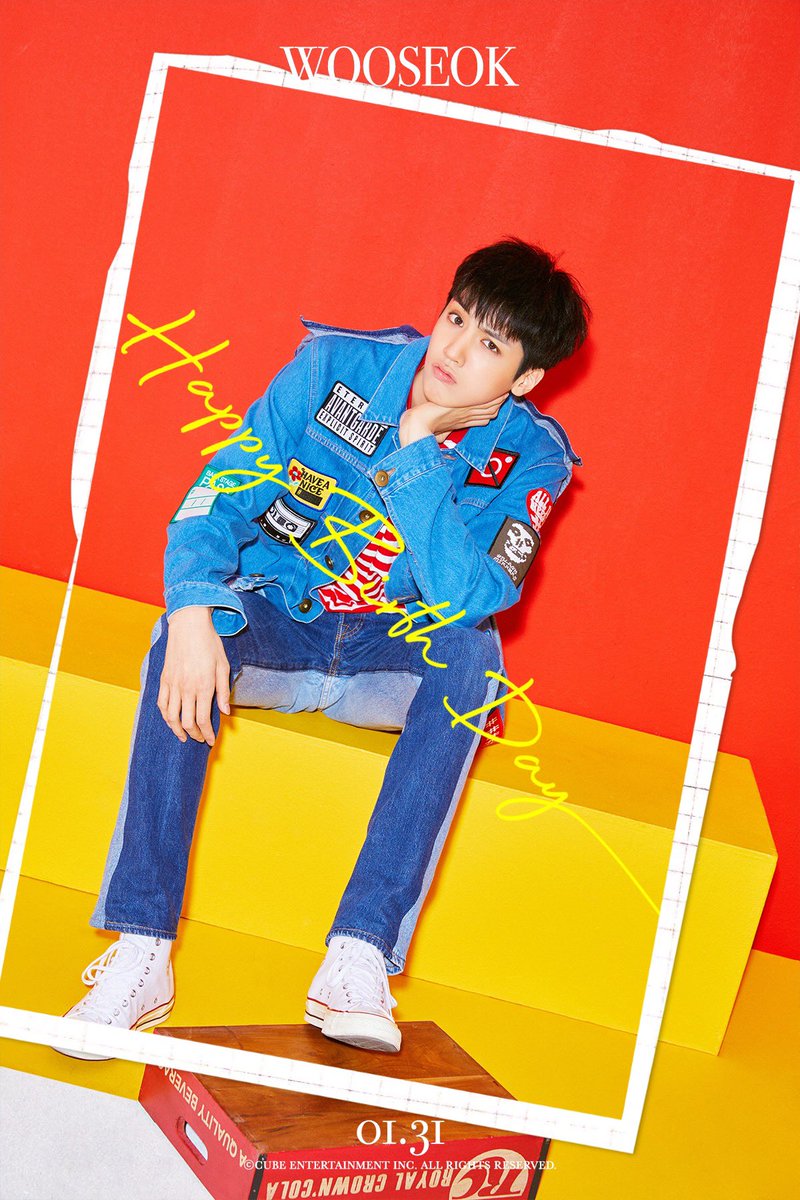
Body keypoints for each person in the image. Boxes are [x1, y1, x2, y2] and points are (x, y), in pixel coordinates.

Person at [56, 237, 590, 1059]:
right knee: (180, 633)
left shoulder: (535, 458)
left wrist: (415, 447)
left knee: (474, 661)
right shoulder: (331, 370)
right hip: (285, 623)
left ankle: (358, 955)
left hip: (387, 656)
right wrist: (192, 607)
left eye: (490, 344)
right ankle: (142, 950)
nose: (453, 350)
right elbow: (219, 494)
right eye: (455, 319)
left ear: (525, 379)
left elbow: (475, 597)